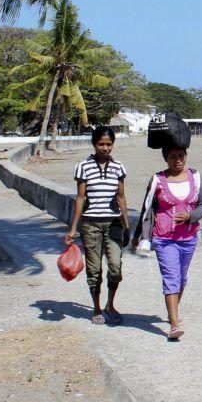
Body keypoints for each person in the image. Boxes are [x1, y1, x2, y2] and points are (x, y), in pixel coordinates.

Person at [132, 143, 202, 340]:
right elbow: (146, 208)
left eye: (181, 156)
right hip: (164, 239)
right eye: (173, 156)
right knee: (171, 278)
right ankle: (174, 324)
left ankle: (172, 312)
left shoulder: (196, 177)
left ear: (186, 156)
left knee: (182, 278)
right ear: (165, 159)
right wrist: (138, 236)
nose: (178, 160)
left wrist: (190, 217)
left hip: (189, 238)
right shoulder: (157, 180)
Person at [65, 127, 130, 326]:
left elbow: (121, 197)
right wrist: (73, 229)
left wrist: (127, 226)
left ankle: (110, 304)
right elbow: (80, 198)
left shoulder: (119, 167)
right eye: (101, 144)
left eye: (109, 144)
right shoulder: (83, 167)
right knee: (94, 271)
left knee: (115, 268)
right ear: (94, 144)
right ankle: (96, 307)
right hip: (91, 224)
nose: (105, 148)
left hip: (114, 224)